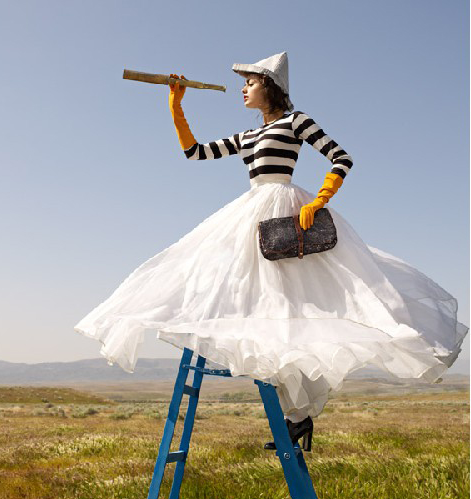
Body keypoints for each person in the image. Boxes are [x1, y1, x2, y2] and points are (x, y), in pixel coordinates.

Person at [75, 52, 467, 451]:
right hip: (250, 215)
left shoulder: (295, 121)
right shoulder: (247, 136)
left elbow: (341, 157)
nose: (243, 89)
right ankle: (297, 417)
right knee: (249, 300)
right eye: (243, 83)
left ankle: (298, 416)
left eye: (250, 82)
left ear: (270, 86)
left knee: (293, 311)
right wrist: (177, 106)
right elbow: (194, 153)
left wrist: (319, 199)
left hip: (289, 214)